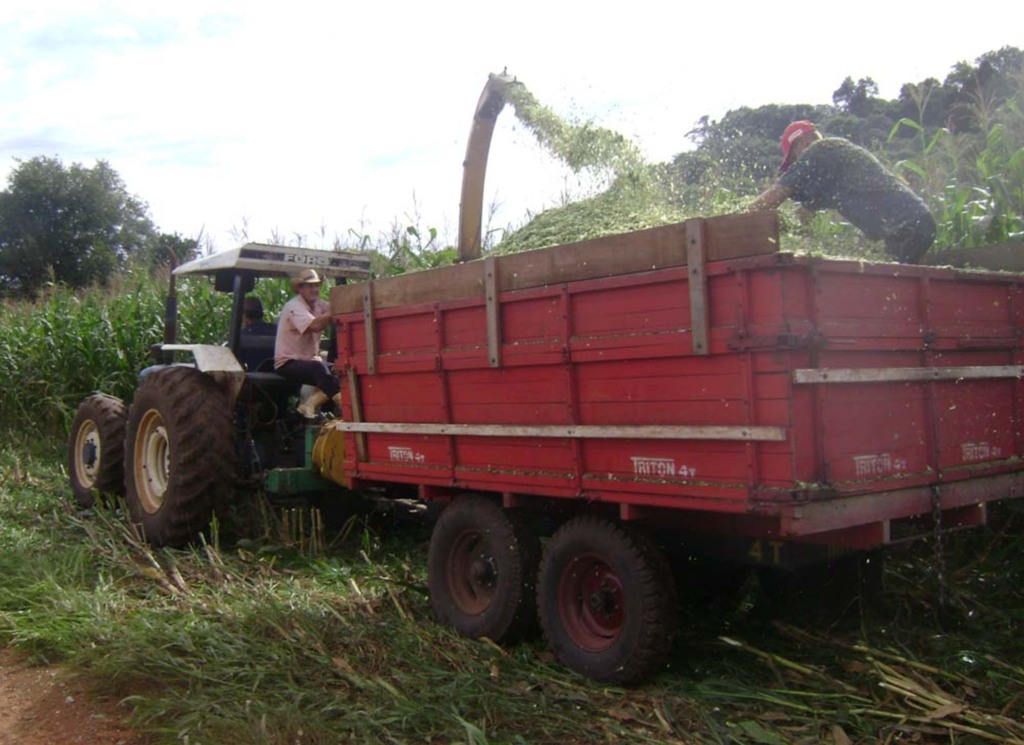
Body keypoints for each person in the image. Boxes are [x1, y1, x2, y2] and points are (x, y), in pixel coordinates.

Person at [748, 120, 936, 263]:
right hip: (911, 225)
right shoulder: (834, 170)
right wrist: (800, 232)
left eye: (794, 160)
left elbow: (771, 199)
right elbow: (804, 213)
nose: (797, 166)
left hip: (906, 225)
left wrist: (733, 217)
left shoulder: (820, 149)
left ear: (802, 143)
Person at [274, 268, 341, 418]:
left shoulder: (319, 305)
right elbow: (315, 326)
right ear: (300, 288)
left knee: (340, 370)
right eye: (310, 286)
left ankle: (311, 405)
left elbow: (336, 308)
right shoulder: (294, 306)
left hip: (309, 361)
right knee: (318, 368)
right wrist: (333, 313)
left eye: (317, 285)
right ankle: (342, 404)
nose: (315, 289)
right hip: (288, 363)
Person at [237, 296, 277, 371]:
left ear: (244, 314)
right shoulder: (276, 329)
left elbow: (238, 365)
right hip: (282, 378)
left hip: (256, 380)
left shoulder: (242, 336)